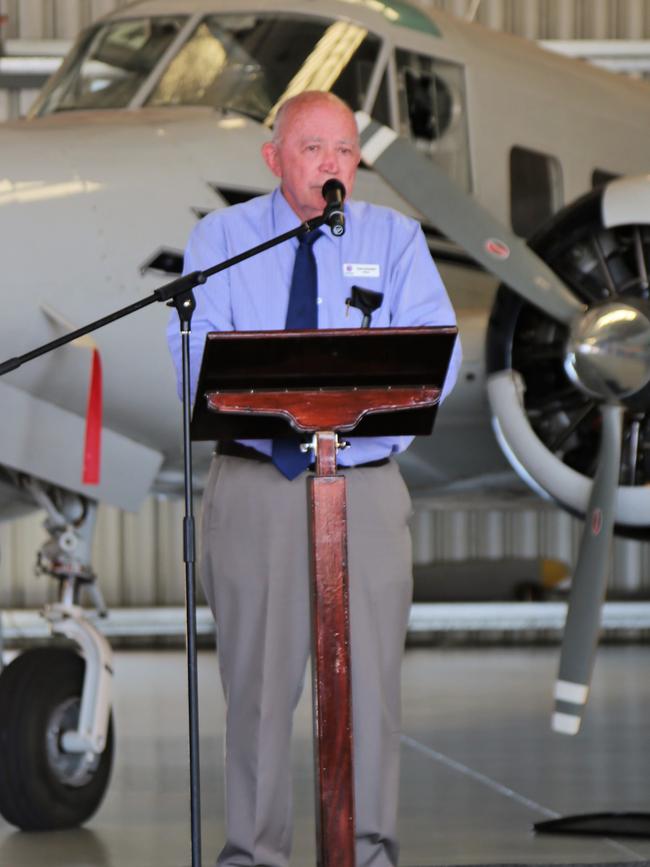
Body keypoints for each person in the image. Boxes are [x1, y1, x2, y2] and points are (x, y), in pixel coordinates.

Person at [167, 90, 461, 867]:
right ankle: (254, 855)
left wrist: (353, 423)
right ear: (274, 160)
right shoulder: (221, 239)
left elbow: (440, 359)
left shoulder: (395, 240)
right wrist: (279, 412)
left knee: (368, 693)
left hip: (361, 485)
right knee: (258, 693)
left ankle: (368, 854)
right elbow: (193, 356)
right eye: (313, 150)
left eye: (344, 150)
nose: (334, 165)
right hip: (256, 482)